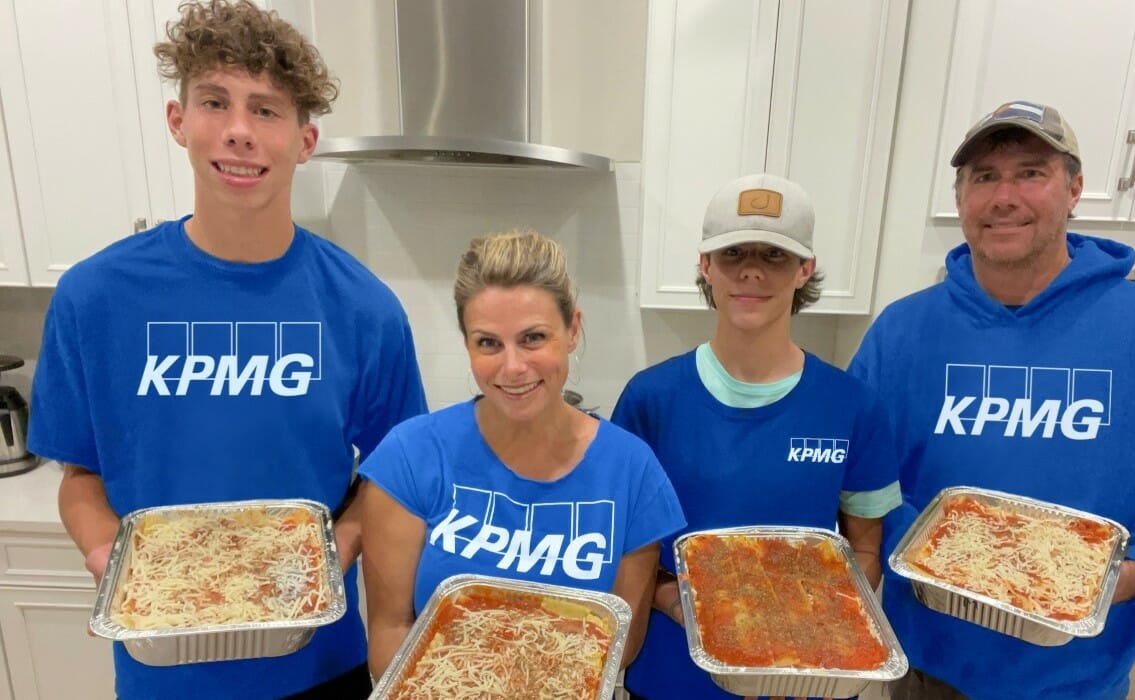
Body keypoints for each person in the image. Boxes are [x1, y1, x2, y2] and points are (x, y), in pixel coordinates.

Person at [26, 1, 428, 697]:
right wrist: (109, 562)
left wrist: (329, 559)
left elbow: (391, 483)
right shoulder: (95, 299)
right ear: (178, 121)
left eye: (266, 110)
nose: (239, 131)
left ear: (304, 141)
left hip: (318, 667)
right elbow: (80, 477)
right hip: (162, 672)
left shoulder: (365, 309)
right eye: (216, 101)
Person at [848, 100, 1135, 700]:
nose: (1004, 195)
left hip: (1081, 680)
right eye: (984, 176)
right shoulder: (902, 332)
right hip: (926, 673)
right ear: (961, 199)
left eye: (1030, 172)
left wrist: (1124, 577)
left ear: (1075, 188)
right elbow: (863, 486)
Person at [612, 173, 903, 700]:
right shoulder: (650, 399)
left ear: (804, 269)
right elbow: (627, 552)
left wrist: (794, 638)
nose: (750, 270)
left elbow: (864, 552)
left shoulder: (852, 407)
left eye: (774, 255)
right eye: (733, 253)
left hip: (800, 680)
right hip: (673, 676)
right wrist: (684, 607)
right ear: (705, 264)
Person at [358, 229, 686, 683]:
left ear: (572, 330)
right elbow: (391, 627)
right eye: (488, 343)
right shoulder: (411, 457)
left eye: (533, 338)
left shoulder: (632, 471)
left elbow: (618, 647)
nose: (512, 367)